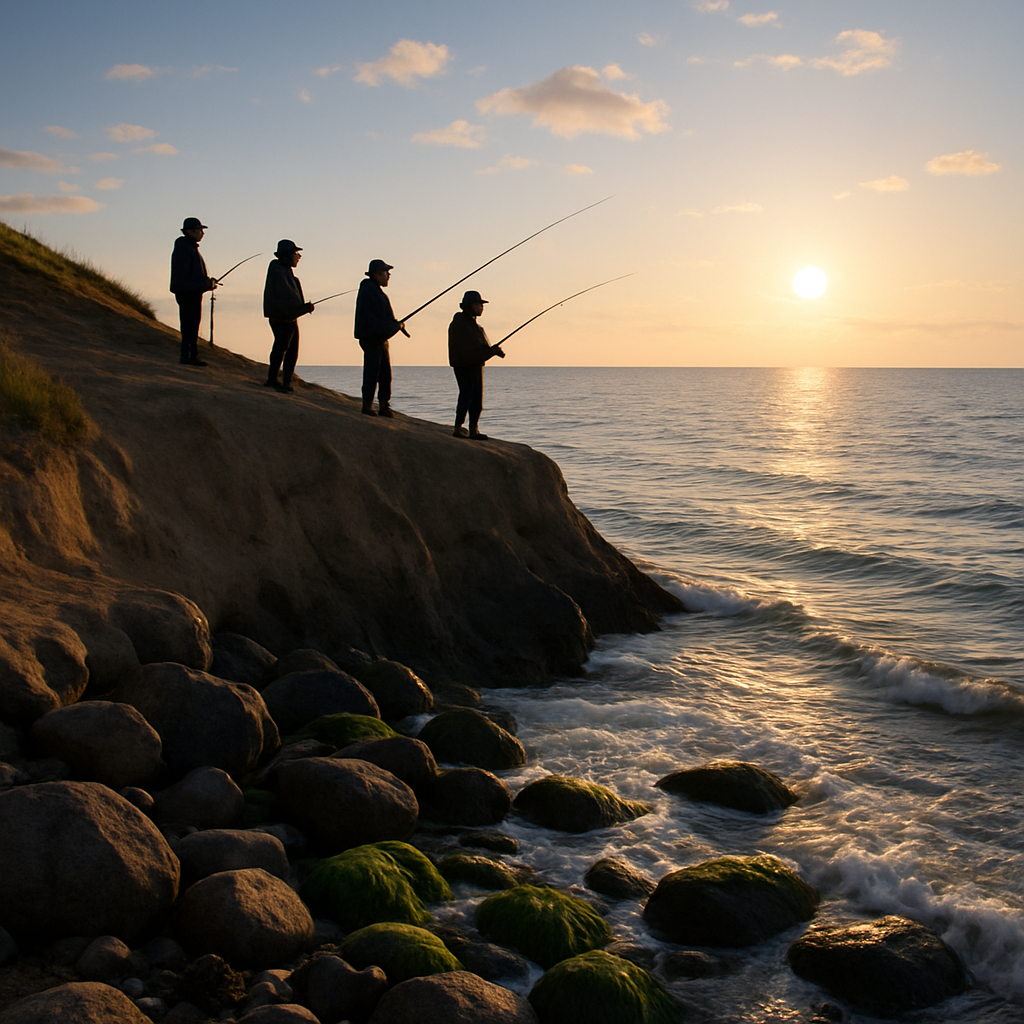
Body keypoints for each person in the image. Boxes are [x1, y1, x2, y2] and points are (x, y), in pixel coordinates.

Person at [448, 290, 505, 439]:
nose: (481, 308)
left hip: (476, 365)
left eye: (481, 305)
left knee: (477, 399)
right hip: (464, 366)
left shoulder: (476, 327)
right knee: (466, 395)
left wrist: (493, 351)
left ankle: (474, 429)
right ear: (470, 306)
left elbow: (481, 348)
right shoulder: (460, 324)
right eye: (478, 304)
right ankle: (458, 427)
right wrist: (491, 352)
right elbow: (469, 351)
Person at [354, 259, 407, 417]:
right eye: (386, 273)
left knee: (385, 374)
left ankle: (384, 405)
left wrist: (394, 325)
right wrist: (395, 326)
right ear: (377, 274)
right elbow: (374, 322)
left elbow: (383, 319)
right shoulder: (370, 291)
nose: (388, 276)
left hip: (379, 338)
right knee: (373, 372)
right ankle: (368, 405)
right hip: (372, 338)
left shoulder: (375, 291)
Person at [263, 239, 314, 393]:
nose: (299, 257)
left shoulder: (286, 272)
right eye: (296, 253)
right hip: (283, 318)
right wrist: (303, 308)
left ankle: (285, 381)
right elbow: (286, 299)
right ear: (287, 255)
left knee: (290, 350)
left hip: (288, 317)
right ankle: (274, 380)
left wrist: (301, 308)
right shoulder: (278, 270)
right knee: (282, 348)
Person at [169, 216, 216, 366]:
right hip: (187, 293)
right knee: (189, 325)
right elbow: (185, 278)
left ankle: (191, 355)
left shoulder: (189, 247)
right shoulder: (185, 248)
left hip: (191, 293)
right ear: (190, 231)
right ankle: (187, 356)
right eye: (200, 230)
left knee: (192, 325)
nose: (202, 233)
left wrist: (207, 283)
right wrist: (206, 284)